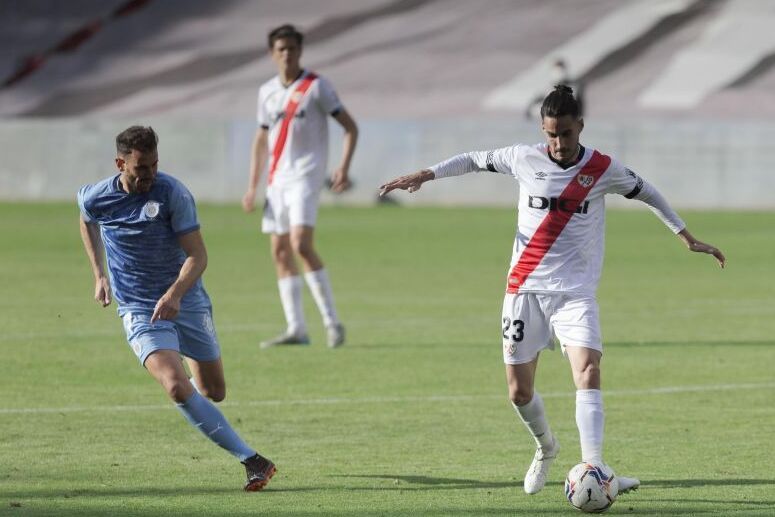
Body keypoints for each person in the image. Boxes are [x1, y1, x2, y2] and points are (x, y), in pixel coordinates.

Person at [379, 85, 725, 496]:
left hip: (574, 293)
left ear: (580, 125)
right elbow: (473, 159)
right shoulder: (523, 157)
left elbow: (647, 191)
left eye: (565, 132)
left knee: (589, 370)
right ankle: (546, 448)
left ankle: (595, 467)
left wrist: (685, 236)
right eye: (551, 134)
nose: (559, 142)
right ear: (543, 130)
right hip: (523, 289)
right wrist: (427, 173)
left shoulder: (601, 169)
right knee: (518, 391)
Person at [78, 126, 276, 492]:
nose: (149, 174)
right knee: (175, 386)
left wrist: (174, 295)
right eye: (140, 168)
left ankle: (185, 372)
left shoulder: (173, 193)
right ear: (120, 163)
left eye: (153, 165)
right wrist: (98, 274)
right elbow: (85, 217)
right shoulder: (97, 196)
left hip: (185, 299)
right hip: (140, 307)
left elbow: (198, 256)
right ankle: (253, 460)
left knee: (214, 392)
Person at [242, 23, 358, 349]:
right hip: (276, 180)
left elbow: (350, 128)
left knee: (300, 245)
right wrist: (252, 185)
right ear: (272, 54)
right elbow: (262, 138)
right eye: (281, 49)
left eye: (292, 48)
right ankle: (297, 329)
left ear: (300, 51)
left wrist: (343, 167)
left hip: (305, 177)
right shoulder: (266, 92)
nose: (287, 55)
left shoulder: (316, 87)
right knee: (279, 251)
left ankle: (332, 323)